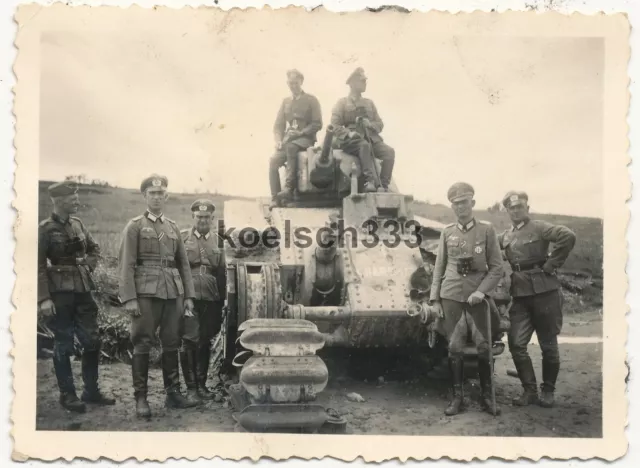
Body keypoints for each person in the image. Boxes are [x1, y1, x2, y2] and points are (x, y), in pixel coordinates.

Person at [118, 174, 198, 418]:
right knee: (142, 342)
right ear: (145, 196)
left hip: (172, 293)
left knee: (172, 342)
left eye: (160, 193)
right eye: (151, 193)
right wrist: (129, 297)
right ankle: (141, 398)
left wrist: (188, 297)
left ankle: (173, 393)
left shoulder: (172, 227)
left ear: (166, 196)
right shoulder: (134, 226)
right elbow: (126, 264)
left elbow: (183, 265)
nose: (156, 197)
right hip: (145, 293)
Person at [37, 181, 116, 413]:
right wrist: (43, 299)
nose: (76, 200)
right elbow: (38, 266)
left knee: (92, 340)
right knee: (63, 343)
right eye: (72, 198)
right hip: (59, 294)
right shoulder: (45, 229)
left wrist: (88, 266)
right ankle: (67, 395)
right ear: (59, 201)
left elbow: (94, 248)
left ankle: (91, 391)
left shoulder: (79, 224)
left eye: (76, 195)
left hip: (83, 290)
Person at [428, 182, 504, 416]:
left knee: (483, 347)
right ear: (452, 206)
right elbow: (439, 267)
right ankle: (457, 397)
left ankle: (486, 397)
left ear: (472, 203)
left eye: (464, 202)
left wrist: (481, 291)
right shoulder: (447, 231)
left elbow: (497, 267)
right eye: (456, 204)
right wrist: (434, 299)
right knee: (454, 347)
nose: (460, 207)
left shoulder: (487, 230)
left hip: (477, 298)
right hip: (451, 296)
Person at [499, 190, 576, 408]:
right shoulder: (505, 236)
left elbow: (568, 236)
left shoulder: (540, 227)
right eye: (511, 208)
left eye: (519, 206)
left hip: (545, 293)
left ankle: (548, 391)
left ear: (527, 208)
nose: (516, 210)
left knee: (548, 344)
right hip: (520, 295)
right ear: (507, 211)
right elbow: (489, 250)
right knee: (515, 342)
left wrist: (552, 265)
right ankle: (529, 390)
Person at [179, 199, 226, 403]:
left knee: (205, 340)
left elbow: (223, 273)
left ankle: (202, 385)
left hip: (211, 297)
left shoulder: (220, 241)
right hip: (188, 296)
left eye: (207, 217)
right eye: (199, 217)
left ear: (212, 219)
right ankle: (191, 389)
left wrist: (224, 300)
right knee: (189, 340)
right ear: (193, 217)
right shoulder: (182, 238)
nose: (203, 220)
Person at [330, 67, 395, 192]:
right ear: (353, 84)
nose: (365, 83)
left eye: (365, 81)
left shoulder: (369, 103)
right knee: (364, 146)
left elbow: (380, 124)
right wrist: (349, 134)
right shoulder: (342, 103)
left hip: (371, 138)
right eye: (362, 81)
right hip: (351, 141)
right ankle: (369, 181)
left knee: (389, 152)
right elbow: (334, 125)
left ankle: (383, 186)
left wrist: (370, 124)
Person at [269, 69, 323, 205]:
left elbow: (317, 123)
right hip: (288, 141)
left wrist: (301, 133)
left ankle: (288, 188)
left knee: (292, 148)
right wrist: (278, 141)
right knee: (273, 161)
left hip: (305, 139)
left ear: (301, 82)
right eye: (290, 83)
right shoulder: (286, 102)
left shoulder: (311, 100)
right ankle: (275, 197)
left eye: (296, 83)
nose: (293, 86)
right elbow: (278, 126)